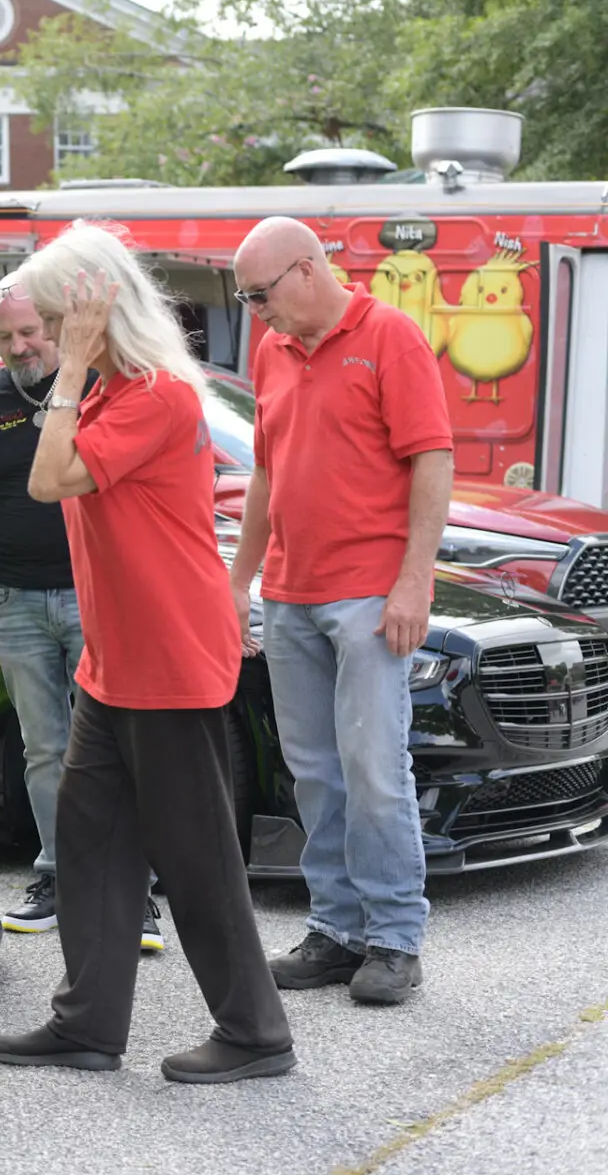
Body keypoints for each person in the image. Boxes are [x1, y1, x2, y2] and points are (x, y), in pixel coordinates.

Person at [0, 222, 294, 1085]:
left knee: (196, 864)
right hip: (114, 665)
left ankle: (257, 1034)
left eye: (53, 319)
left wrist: (72, 364)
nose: (38, 337)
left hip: (169, 658)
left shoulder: (155, 394)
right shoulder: (114, 393)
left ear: (93, 310)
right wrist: (77, 373)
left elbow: (49, 481)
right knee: (88, 844)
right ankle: (86, 1025)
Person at [227, 217, 453, 1007]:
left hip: (367, 593)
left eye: (261, 294)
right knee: (315, 774)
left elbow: (432, 458)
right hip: (290, 593)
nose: (256, 311)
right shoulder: (271, 350)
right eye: (246, 298)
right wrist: (240, 580)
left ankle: (394, 939)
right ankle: (337, 929)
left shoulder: (390, 336)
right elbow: (263, 474)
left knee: (374, 768)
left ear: (307, 269)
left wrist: (414, 581)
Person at [0, 272, 162, 951]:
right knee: (45, 750)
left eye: (28, 331)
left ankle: (132, 892)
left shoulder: (97, 390)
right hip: (14, 600)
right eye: (5, 336)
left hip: (96, 593)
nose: (18, 345)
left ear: (54, 325)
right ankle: (60, 878)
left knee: (118, 747)